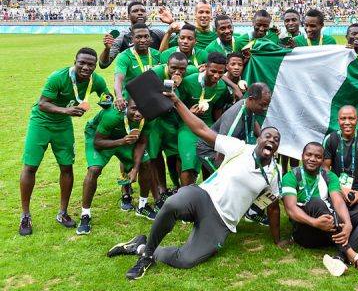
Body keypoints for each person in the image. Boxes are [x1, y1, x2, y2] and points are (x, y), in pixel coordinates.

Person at [108, 92, 285, 280]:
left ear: (277, 148)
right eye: (268, 136)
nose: (271, 140)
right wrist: (177, 102)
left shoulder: (275, 173)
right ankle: (147, 255)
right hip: (203, 196)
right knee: (172, 204)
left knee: (186, 260)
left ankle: (140, 246)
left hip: (223, 221)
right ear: (258, 139)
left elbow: (272, 207)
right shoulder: (240, 148)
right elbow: (201, 129)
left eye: (276, 140)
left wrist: (277, 239)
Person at [19, 48, 110, 236]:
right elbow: (43, 103)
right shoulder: (58, 77)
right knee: (30, 167)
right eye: (82, 63)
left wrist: (106, 103)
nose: (86, 67)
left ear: (94, 66)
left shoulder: (96, 80)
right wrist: (66, 111)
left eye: (90, 64)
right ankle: (25, 215)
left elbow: (106, 96)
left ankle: (63, 213)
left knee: (66, 167)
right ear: (75, 61)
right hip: (41, 122)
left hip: (62, 126)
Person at [282, 142, 358, 276]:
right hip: (306, 232)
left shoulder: (329, 176)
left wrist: (348, 224)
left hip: (330, 228)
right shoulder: (291, 176)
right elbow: (290, 209)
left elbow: (338, 202)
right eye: (308, 155)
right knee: (316, 202)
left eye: (317, 156)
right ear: (302, 156)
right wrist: (314, 222)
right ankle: (353, 256)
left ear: (322, 160)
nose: (312, 159)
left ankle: (340, 256)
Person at [78, 97, 156, 234]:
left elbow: (142, 142)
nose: (138, 113)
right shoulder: (112, 115)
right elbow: (98, 143)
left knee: (146, 163)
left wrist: (135, 169)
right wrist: (122, 142)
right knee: (94, 169)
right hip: (99, 138)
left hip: (124, 137)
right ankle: (85, 215)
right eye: (134, 109)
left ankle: (142, 206)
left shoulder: (149, 117)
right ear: (126, 106)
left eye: (141, 109)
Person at [148, 52, 198, 202]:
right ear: (167, 66)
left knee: (176, 154)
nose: (177, 72)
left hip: (175, 119)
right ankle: (162, 188)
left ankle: (179, 186)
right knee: (155, 154)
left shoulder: (191, 73)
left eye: (181, 69)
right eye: (173, 68)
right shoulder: (154, 74)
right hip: (157, 119)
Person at [176, 52, 229, 185]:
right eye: (213, 71)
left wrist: (220, 131)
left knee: (211, 163)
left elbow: (217, 109)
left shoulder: (222, 87)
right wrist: (189, 112)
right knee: (188, 162)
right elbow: (174, 105)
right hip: (187, 125)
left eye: (221, 72)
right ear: (205, 67)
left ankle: (208, 195)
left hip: (209, 126)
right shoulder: (189, 82)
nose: (216, 76)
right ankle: (186, 198)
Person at [322, 106, 358, 222]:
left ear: (357, 120)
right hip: (337, 186)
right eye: (343, 119)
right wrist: (341, 188)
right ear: (338, 120)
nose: (347, 122)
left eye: (351, 118)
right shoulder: (330, 140)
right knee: (336, 218)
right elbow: (325, 168)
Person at [99, 1, 166, 69]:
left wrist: (171, 22)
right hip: (132, 79)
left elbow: (176, 43)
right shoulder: (121, 37)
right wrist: (107, 49)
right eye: (135, 11)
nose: (140, 13)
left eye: (143, 11)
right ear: (128, 16)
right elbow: (103, 64)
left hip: (154, 78)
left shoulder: (158, 33)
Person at [113, 23, 161, 112]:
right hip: (131, 104)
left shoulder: (157, 55)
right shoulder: (125, 56)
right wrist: (119, 96)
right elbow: (118, 79)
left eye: (146, 37)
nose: (143, 40)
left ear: (150, 38)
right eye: (138, 37)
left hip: (152, 101)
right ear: (132, 39)